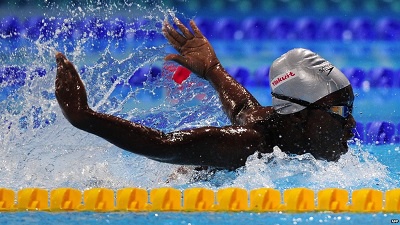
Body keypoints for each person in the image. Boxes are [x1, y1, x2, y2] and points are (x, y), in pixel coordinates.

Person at [55, 18, 355, 170]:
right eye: (341, 112)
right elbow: (162, 145)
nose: (351, 126)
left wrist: (213, 70)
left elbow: (244, 111)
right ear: (299, 116)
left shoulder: (278, 127)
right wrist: (84, 116)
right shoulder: (247, 145)